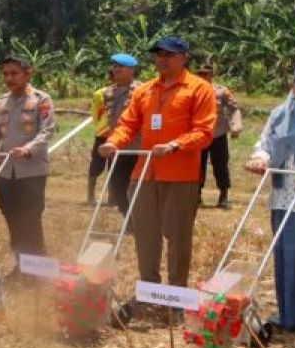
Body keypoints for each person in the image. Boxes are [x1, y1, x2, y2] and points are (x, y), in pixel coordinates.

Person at [99, 37, 216, 287]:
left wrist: (175, 145)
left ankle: (175, 294)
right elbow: (128, 124)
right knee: (145, 234)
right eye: (158, 54)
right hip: (145, 173)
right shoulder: (145, 90)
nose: (162, 59)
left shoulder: (199, 88)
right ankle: (149, 290)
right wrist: (114, 143)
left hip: (181, 175)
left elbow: (205, 132)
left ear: (184, 57)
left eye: (168, 55)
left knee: (178, 237)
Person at [244, 59, 295, 334]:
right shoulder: (280, 114)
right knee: (288, 256)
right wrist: (259, 159)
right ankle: (291, 315)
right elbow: (265, 143)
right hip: (284, 196)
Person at [0, 54, 56, 270]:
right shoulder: (1, 102)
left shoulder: (41, 100)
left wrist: (27, 149)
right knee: (10, 215)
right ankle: (20, 265)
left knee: (30, 219)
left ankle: (37, 268)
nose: (9, 78)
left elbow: (47, 131)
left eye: (14, 73)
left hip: (31, 171)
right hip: (5, 171)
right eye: (5, 74)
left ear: (27, 73)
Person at [87, 53, 140, 213]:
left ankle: (139, 220)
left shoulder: (142, 90)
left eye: (120, 67)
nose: (116, 69)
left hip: (138, 145)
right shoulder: (107, 93)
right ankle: (128, 219)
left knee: (137, 185)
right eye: (115, 66)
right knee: (117, 185)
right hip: (116, 144)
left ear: (131, 70)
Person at [195, 65, 243, 209]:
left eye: (206, 74)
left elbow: (234, 109)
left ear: (212, 75)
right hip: (199, 134)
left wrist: (236, 126)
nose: (203, 76)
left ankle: (223, 195)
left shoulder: (222, 91)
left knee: (220, 165)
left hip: (218, 133)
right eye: (200, 73)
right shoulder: (191, 90)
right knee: (197, 166)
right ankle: (196, 195)